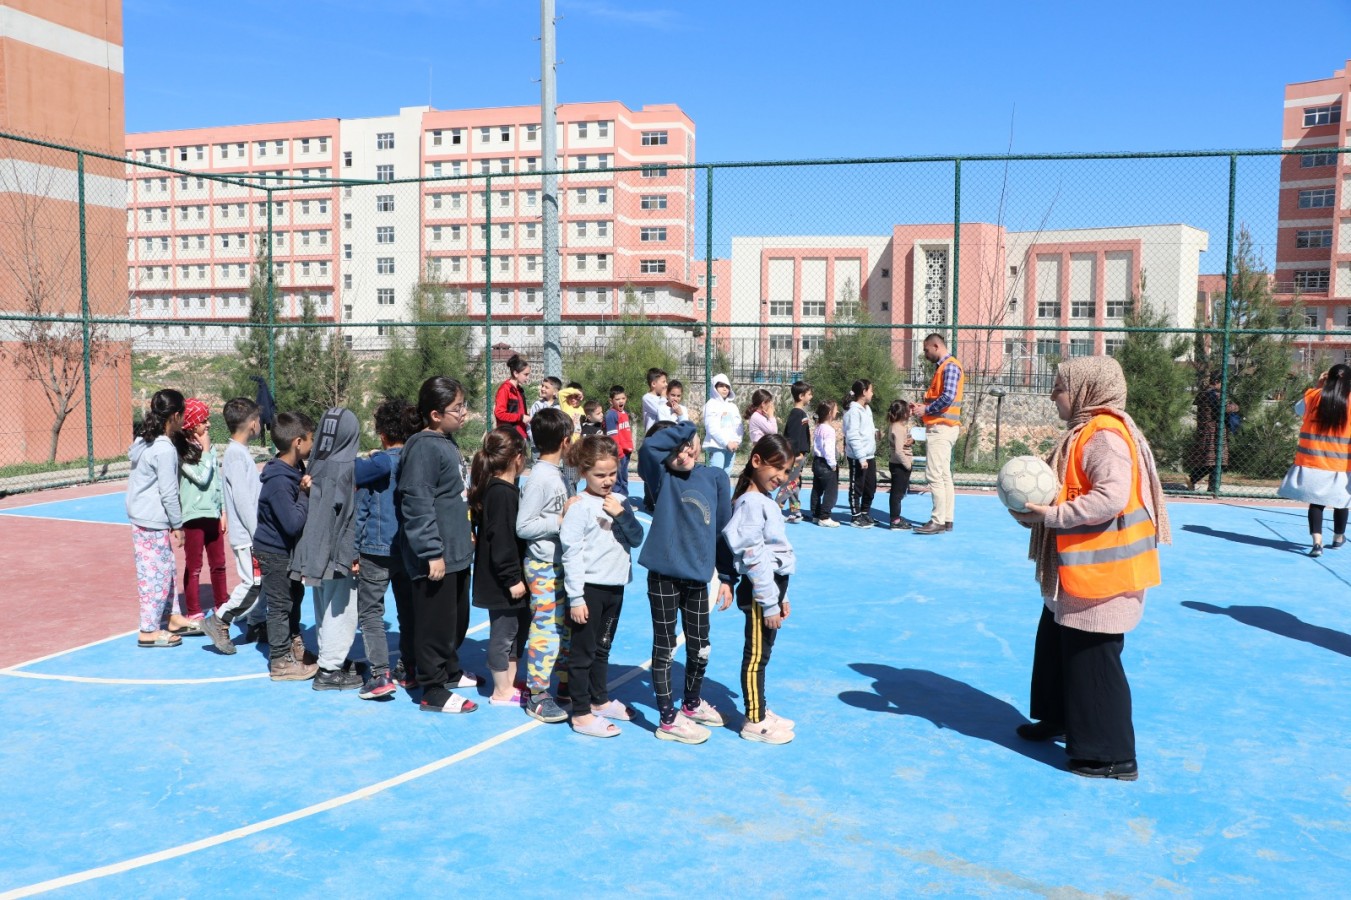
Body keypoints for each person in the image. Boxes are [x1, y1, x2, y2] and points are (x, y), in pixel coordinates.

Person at [1010, 356, 1170, 782]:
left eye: (1059, 387)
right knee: (1055, 648)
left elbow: (1112, 497)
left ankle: (1110, 755)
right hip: (1076, 574)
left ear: (1085, 391)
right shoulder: (1086, 433)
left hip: (1102, 576)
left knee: (1093, 661)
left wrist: (1054, 515)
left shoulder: (1105, 436)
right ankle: (1057, 716)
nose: (1052, 395)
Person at [638, 420, 736, 744]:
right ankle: (668, 719)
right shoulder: (662, 478)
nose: (682, 454)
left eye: (687, 446)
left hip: (697, 579)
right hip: (664, 578)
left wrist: (726, 577)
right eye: (674, 449)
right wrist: (687, 427)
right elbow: (650, 449)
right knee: (664, 647)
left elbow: (723, 529)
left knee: (700, 646)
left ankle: (691, 703)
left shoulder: (715, 477)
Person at [397, 376, 481, 714]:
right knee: (435, 624)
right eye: (457, 407)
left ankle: (448, 671)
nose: (463, 413)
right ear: (435, 414)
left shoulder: (445, 442)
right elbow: (416, 501)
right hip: (437, 556)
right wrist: (431, 551)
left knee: (456, 619)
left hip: (457, 552)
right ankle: (433, 689)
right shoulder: (423, 447)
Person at [560, 436, 645, 738]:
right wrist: (576, 597)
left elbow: (636, 539)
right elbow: (570, 553)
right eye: (600, 475)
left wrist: (621, 515)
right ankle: (581, 713)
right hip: (589, 591)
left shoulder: (620, 502)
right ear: (584, 472)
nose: (608, 480)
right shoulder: (579, 507)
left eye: (612, 473)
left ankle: (599, 701)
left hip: (615, 588)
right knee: (582, 653)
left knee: (602, 649)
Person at [723, 434, 798, 745]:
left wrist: (782, 597)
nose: (780, 477)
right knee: (756, 657)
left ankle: (761, 709)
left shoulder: (764, 501)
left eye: (786, 472)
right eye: (776, 468)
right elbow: (754, 557)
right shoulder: (752, 504)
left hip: (770, 592)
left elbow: (774, 553)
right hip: (758, 595)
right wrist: (768, 603)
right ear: (756, 461)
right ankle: (754, 719)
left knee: (763, 655)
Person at [291, 407, 365, 692]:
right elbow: (347, 514)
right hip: (336, 549)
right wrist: (353, 553)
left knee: (323, 604)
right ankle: (331, 670)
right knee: (343, 607)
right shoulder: (346, 467)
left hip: (313, 547)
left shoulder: (316, 463)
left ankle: (329, 658)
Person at [353, 399, 422, 699]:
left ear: (382, 433)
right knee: (408, 610)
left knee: (370, 610)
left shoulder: (377, 466)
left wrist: (354, 549)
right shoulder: (415, 460)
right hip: (408, 548)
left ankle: (380, 674)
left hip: (375, 548)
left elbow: (363, 508)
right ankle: (409, 668)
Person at [516, 407, 578, 723]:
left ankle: (564, 685)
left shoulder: (559, 475)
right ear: (565, 441)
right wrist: (559, 520)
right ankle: (536, 694)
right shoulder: (540, 478)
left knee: (563, 628)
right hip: (542, 565)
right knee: (546, 628)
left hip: (560, 564)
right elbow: (524, 526)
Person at [254, 411, 318, 681]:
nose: (313, 445)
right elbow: (292, 523)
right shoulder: (280, 480)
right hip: (274, 551)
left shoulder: (295, 469)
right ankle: (280, 661)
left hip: (287, 551)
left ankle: (294, 645)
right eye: (311, 439)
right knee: (280, 605)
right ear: (298, 442)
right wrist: (304, 495)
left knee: (294, 597)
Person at [470, 428, 531, 707]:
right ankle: (500, 690)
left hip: (508, 578)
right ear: (518, 458)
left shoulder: (501, 489)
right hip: (502, 581)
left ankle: (511, 682)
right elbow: (502, 540)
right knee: (503, 633)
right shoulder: (501, 493)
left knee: (516, 630)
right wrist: (512, 578)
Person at [202, 398, 264, 654]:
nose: (261, 424)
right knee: (253, 584)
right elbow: (243, 500)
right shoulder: (236, 456)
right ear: (251, 424)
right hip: (248, 536)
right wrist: (258, 534)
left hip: (249, 534)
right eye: (259, 420)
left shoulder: (238, 453)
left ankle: (258, 624)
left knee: (264, 582)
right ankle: (220, 620)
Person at [126, 389, 188, 649]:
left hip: (143, 516)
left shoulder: (144, 439)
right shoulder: (164, 449)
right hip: (152, 519)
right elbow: (169, 491)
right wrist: (178, 524)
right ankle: (149, 630)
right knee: (154, 575)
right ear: (174, 416)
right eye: (182, 414)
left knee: (167, 570)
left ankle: (171, 617)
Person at [1278, 365, 1351, 557]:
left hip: (1313, 461)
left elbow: (1298, 409)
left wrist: (1318, 386)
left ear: (1328, 378)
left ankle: (1317, 542)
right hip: (1341, 465)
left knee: (1316, 504)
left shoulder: (1314, 396)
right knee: (1342, 502)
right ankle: (1338, 537)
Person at [176, 397, 225, 633]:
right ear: (192, 423)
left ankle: (222, 605)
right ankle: (193, 610)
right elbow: (201, 477)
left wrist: (222, 510)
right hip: (193, 516)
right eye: (203, 420)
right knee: (194, 565)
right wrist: (205, 450)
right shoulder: (182, 451)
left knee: (219, 564)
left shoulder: (210, 449)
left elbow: (216, 482)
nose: (208, 425)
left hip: (213, 515)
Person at [913, 333, 964, 535]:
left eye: (926, 350)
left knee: (934, 474)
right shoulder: (946, 367)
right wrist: (923, 407)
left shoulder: (949, 366)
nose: (925, 354)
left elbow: (948, 397)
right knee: (944, 476)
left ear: (936, 346)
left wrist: (925, 410)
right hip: (946, 426)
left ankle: (937, 520)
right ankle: (946, 519)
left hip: (941, 428)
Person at [1186, 374, 1238, 493]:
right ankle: (1213, 488)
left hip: (1204, 430)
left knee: (1209, 461)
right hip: (1215, 431)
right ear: (1217, 381)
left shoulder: (1203, 393)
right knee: (1219, 460)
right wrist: (1236, 407)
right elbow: (1224, 408)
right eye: (1223, 382)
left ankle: (1192, 478)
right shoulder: (1214, 394)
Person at [843, 379, 878, 528]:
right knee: (857, 486)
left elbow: (867, 428)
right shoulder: (853, 411)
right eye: (871, 390)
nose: (872, 393)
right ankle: (855, 516)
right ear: (864, 392)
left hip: (870, 455)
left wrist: (876, 433)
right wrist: (861, 457)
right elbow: (853, 435)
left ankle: (865, 512)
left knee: (871, 486)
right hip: (858, 457)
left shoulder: (866, 409)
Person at [780, 381, 813, 524]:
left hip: (801, 455)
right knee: (789, 483)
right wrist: (795, 455)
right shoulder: (796, 414)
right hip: (796, 456)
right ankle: (775, 508)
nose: (811, 397)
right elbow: (792, 437)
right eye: (809, 394)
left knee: (795, 484)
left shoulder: (801, 413)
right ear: (801, 396)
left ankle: (795, 511)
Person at [703, 372, 743, 480]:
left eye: (727, 386)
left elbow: (739, 426)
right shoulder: (711, 404)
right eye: (721, 386)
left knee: (726, 475)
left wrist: (737, 441)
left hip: (731, 447)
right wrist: (726, 443)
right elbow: (711, 427)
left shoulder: (733, 406)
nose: (725, 389)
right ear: (715, 388)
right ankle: (713, 496)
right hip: (717, 446)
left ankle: (724, 496)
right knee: (716, 474)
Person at [810, 400, 841, 528]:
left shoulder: (818, 427)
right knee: (831, 491)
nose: (837, 412)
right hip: (826, 464)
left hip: (817, 461)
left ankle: (816, 514)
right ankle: (825, 516)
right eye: (835, 410)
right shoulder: (829, 430)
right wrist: (833, 464)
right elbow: (828, 449)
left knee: (817, 489)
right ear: (829, 413)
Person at [886, 399, 916, 530]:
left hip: (898, 463)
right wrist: (907, 465)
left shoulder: (896, 426)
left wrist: (911, 441)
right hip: (900, 465)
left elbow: (902, 443)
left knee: (898, 493)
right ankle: (895, 521)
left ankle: (896, 517)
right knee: (897, 494)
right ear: (903, 413)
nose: (910, 412)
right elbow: (898, 451)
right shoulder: (898, 428)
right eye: (908, 410)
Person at [494, 353, 532, 445]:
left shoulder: (519, 389)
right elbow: (499, 414)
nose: (527, 378)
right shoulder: (505, 389)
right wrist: (521, 417)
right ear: (515, 373)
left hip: (520, 433)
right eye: (525, 374)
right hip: (509, 436)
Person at [604, 385, 635, 496]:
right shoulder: (611, 415)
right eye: (617, 399)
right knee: (618, 479)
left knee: (624, 477)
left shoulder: (624, 413)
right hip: (619, 453)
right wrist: (619, 452)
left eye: (623, 398)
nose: (621, 401)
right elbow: (613, 437)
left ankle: (624, 500)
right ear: (611, 401)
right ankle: (618, 500)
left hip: (626, 452)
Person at [529, 375, 562, 454]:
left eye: (546, 387)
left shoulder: (560, 407)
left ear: (555, 392)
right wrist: (534, 439)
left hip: (555, 447)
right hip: (538, 446)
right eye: (542, 386)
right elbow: (530, 424)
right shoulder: (537, 405)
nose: (542, 389)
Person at [641, 367, 674, 434]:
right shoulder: (647, 398)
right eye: (663, 382)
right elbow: (661, 411)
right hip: (652, 437)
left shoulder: (664, 398)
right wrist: (663, 397)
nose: (666, 384)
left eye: (666, 381)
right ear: (653, 384)